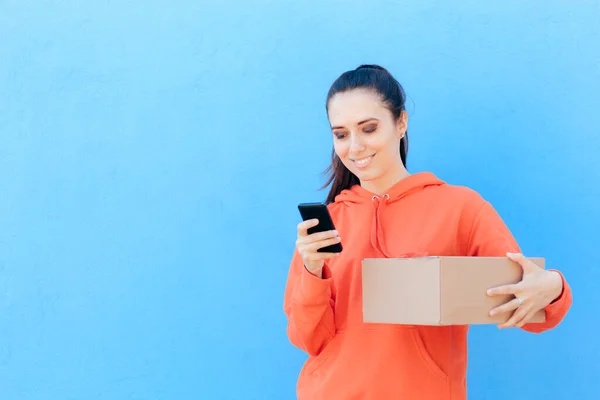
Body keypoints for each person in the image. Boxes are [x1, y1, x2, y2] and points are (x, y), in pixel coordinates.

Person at [282, 64, 573, 400]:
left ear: (401, 123)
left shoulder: (461, 208)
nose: (355, 146)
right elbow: (308, 339)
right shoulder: (327, 226)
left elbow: (534, 312)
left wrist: (554, 286)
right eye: (341, 134)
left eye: (369, 128)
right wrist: (311, 271)